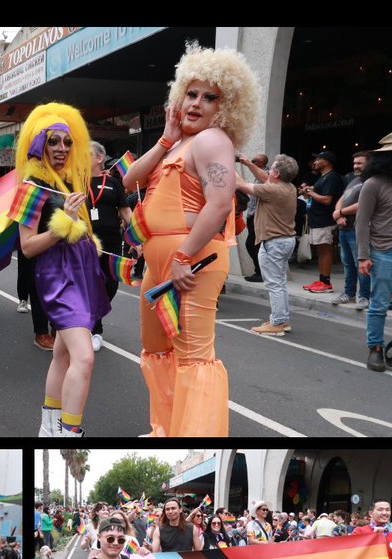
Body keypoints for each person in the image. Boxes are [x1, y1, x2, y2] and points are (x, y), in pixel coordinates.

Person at [123, 43, 257, 437]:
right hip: (163, 262)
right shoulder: (178, 141)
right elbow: (129, 181)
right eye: (191, 93)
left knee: (194, 357)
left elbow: (219, 205)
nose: (196, 103)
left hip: (192, 261)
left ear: (225, 106)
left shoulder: (214, 140)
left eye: (209, 97)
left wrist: (183, 255)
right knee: (156, 348)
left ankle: (193, 436)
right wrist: (165, 139)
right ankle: (166, 428)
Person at [17, 103, 109, 437]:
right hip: (57, 276)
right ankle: (70, 433)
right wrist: (65, 224)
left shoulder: (67, 184)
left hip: (81, 273)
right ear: (39, 144)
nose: (61, 149)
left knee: (63, 353)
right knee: (84, 358)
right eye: (54, 141)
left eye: (67, 143)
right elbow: (27, 247)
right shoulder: (31, 188)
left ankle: (48, 426)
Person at [358, 128, 392, 372]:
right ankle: (375, 349)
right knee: (379, 304)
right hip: (383, 251)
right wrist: (363, 256)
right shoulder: (373, 184)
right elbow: (362, 221)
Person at [236, 154, 300, 336]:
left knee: (274, 284)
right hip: (284, 240)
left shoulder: (271, 191)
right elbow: (265, 178)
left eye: (271, 168)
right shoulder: (288, 187)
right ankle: (282, 319)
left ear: (277, 174)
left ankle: (277, 323)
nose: (268, 171)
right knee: (279, 282)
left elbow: (240, 185)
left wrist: (224, 162)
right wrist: (247, 163)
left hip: (274, 242)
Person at [86, 141, 133, 352]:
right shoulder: (76, 182)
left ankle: (93, 318)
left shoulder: (114, 184)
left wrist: (137, 239)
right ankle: (95, 330)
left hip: (112, 241)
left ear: (99, 158)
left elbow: (125, 213)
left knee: (111, 284)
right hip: (85, 243)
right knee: (91, 285)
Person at [332, 151, 373, 308]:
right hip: (344, 228)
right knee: (348, 264)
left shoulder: (372, 181)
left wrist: (340, 212)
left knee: (361, 264)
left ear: (369, 163)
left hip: (358, 230)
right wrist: (338, 215)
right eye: (354, 163)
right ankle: (349, 294)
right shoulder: (354, 180)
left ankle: (364, 297)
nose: (356, 166)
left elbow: (364, 204)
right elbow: (341, 199)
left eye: (360, 163)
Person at [300, 151, 345, 292]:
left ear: (325, 162)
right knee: (321, 251)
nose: (315, 162)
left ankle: (326, 283)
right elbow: (316, 197)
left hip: (325, 220)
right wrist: (306, 192)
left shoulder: (332, 177)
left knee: (325, 250)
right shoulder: (322, 177)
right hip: (317, 219)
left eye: (318, 159)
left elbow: (327, 200)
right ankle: (322, 280)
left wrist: (311, 192)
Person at [236, 152, 269, 282]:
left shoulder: (267, 173)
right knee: (253, 244)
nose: (252, 162)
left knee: (252, 244)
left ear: (262, 163)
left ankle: (260, 272)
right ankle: (259, 272)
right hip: (253, 214)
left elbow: (264, 182)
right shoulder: (258, 173)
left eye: (255, 161)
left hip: (260, 215)